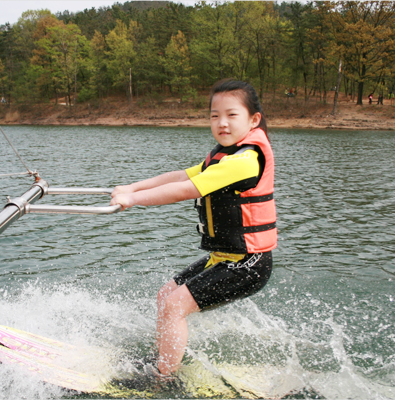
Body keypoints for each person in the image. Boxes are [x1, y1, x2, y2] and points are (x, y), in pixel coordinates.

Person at [110, 79, 277, 377]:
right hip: (226, 259)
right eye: (214, 115)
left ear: (254, 120)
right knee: (166, 295)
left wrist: (132, 200)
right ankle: (164, 357)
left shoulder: (244, 161)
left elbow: (185, 190)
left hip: (249, 264)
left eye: (231, 115)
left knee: (175, 306)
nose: (221, 123)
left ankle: (163, 378)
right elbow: (179, 176)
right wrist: (131, 186)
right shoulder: (224, 156)